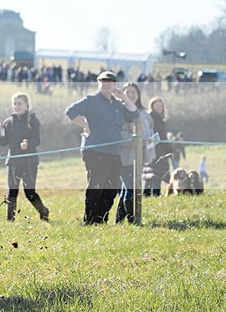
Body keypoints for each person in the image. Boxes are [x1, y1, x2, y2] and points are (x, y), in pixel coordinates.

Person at [66, 71, 138, 225]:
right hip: (95, 150)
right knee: (96, 185)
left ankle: (101, 219)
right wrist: (85, 125)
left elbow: (134, 113)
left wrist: (124, 97)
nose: (106, 85)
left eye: (110, 83)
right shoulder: (92, 100)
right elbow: (71, 111)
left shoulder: (118, 104)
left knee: (112, 187)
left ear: (115, 85)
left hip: (114, 152)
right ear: (99, 84)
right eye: (103, 82)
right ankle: (90, 220)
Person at [0, 92, 49, 222]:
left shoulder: (33, 121)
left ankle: (43, 211)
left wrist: (28, 143)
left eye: (19, 103)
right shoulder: (8, 122)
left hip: (29, 163)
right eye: (14, 103)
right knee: (12, 192)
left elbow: (37, 140)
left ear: (26, 105)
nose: (16, 106)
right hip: (13, 162)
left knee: (29, 192)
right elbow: (4, 143)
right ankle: (10, 220)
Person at [115, 82, 154, 223]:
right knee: (130, 189)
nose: (131, 95)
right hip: (126, 157)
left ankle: (118, 221)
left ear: (138, 94)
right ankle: (133, 221)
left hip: (141, 156)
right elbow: (121, 136)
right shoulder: (120, 113)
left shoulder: (144, 113)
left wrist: (150, 140)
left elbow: (150, 130)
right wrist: (137, 141)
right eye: (128, 92)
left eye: (134, 92)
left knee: (127, 188)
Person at [145, 97, 171, 196]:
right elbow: (162, 137)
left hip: (153, 149)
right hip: (157, 150)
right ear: (152, 106)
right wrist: (170, 150)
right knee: (156, 174)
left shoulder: (157, 118)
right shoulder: (154, 117)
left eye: (161, 105)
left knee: (151, 174)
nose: (159, 107)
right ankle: (155, 194)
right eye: (157, 105)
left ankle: (146, 194)